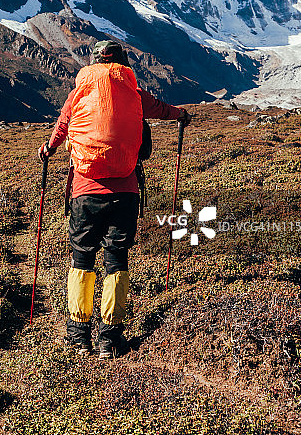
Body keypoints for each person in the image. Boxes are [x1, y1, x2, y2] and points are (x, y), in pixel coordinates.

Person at [38, 40, 191, 359]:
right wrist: (181, 116)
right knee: (116, 261)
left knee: (82, 259)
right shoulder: (133, 91)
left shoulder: (79, 91)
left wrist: (49, 148)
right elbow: (163, 110)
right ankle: (110, 339)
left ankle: (78, 337)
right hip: (126, 192)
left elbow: (63, 125)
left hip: (85, 190)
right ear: (123, 64)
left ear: (93, 63)